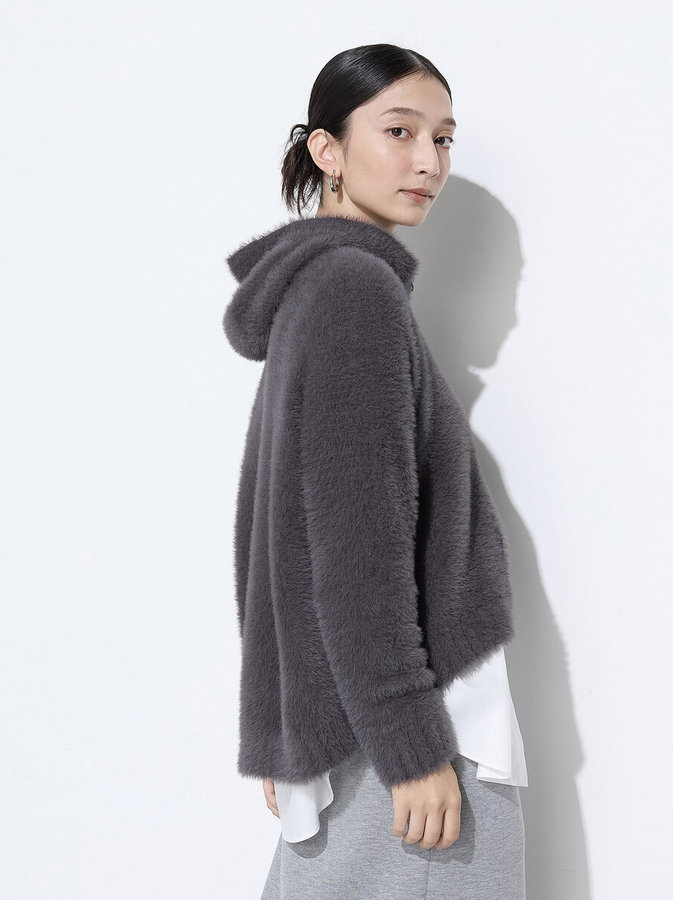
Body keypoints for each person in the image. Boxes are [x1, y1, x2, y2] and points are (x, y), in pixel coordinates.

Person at [223, 43, 527, 899]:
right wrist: (413, 752)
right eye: (399, 131)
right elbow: (357, 548)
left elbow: (275, 535)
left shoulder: (315, 292)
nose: (428, 161)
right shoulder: (353, 291)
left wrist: (285, 720)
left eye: (443, 138)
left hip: (357, 730)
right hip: (420, 742)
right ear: (328, 149)